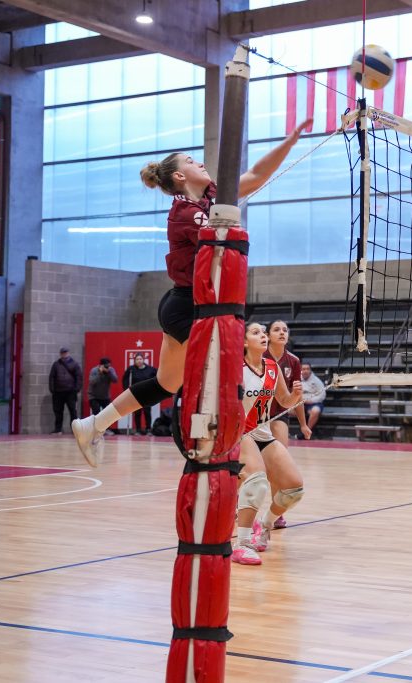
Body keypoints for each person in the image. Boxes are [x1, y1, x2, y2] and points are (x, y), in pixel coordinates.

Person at [69, 118, 314, 466]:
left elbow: (256, 175)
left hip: (182, 303)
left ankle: (93, 424)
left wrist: (290, 140)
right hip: (190, 307)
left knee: (166, 384)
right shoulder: (186, 213)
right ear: (179, 177)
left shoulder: (211, 195)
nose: (199, 162)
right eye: (190, 161)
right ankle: (217, 446)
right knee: (221, 370)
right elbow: (219, 245)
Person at [232, 322, 305, 566]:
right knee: (257, 482)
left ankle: (264, 526)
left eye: (264, 332)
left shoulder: (272, 367)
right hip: (241, 433)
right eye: (256, 333)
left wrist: (295, 395)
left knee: (294, 489)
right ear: (244, 342)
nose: (263, 335)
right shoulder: (236, 369)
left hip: (263, 434)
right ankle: (241, 545)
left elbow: (284, 400)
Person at [264, 320, 312, 529]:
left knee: (277, 463)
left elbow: (296, 396)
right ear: (268, 335)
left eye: (285, 330)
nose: (282, 332)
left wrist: (303, 424)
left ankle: (277, 512)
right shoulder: (258, 356)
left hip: (279, 414)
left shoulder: (293, 361)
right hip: (254, 416)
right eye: (277, 329)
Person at [122, 353, 158, 435]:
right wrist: (126, 391)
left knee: (147, 412)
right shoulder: (131, 369)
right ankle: (138, 430)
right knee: (137, 413)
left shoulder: (151, 369)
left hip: (147, 394)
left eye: (140, 359)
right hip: (136, 394)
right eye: (137, 359)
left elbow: (157, 378)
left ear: (143, 360)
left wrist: (155, 390)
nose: (139, 361)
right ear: (135, 361)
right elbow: (125, 380)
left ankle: (148, 429)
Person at [48, 348, 82, 435]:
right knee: (58, 411)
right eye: (62, 353)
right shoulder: (56, 364)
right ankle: (58, 429)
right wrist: (52, 389)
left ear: (68, 353)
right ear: (60, 354)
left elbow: (79, 377)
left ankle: (75, 430)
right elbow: (52, 377)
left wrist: (77, 389)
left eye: (65, 352)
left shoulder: (74, 364)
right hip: (58, 392)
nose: (64, 354)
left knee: (73, 411)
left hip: (71, 392)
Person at [87, 358, 118, 433]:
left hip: (105, 396)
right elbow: (92, 382)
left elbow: (115, 380)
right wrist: (100, 373)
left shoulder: (110, 370)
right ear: (100, 365)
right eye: (106, 366)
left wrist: (109, 372)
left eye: (109, 366)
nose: (107, 367)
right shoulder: (94, 370)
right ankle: (96, 430)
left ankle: (107, 429)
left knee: (107, 413)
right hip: (93, 396)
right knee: (96, 413)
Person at [299, 362, 326, 434]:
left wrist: (310, 401)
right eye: (303, 369)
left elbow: (322, 395)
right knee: (285, 410)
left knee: (315, 411)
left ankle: (306, 433)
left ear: (310, 370)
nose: (306, 371)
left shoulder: (317, 381)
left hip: (313, 404)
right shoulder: (297, 380)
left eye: (307, 369)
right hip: (300, 403)